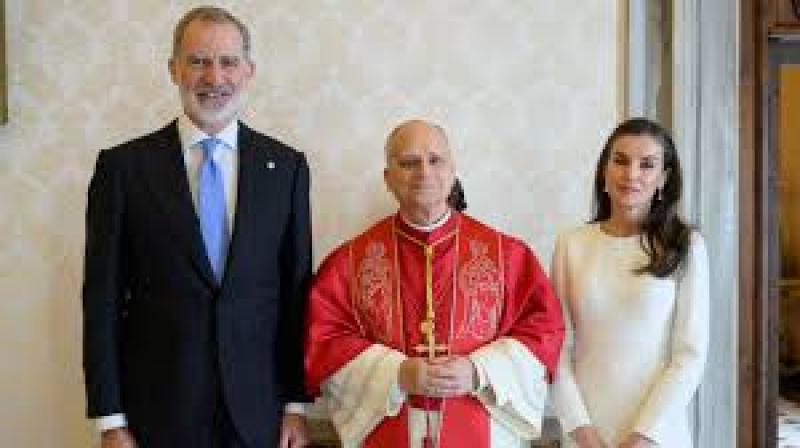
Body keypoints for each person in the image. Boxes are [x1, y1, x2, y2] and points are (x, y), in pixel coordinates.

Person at [82, 7, 311, 448]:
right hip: (157, 410)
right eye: (198, 61)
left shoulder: (286, 168)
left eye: (228, 62)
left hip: (258, 412)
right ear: (174, 69)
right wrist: (110, 419)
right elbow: (102, 299)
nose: (214, 77)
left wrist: (295, 405)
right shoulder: (124, 169)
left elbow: (295, 294)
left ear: (248, 71)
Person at [304, 119, 564, 447]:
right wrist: (396, 373)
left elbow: (543, 333)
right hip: (389, 431)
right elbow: (325, 341)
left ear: (453, 171)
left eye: (435, 160)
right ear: (388, 178)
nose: (424, 172)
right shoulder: (349, 262)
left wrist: (478, 371)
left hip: (481, 428)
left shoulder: (508, 256)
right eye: (409, 162)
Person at [550, 118, 710, 448]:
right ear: (604, 170)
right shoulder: (571, 245)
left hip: (658, 436)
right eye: (621, 161)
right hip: (584, 433)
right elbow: (556, 346)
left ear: (664, 177)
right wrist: (582, 431)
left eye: (647, 165)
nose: (631, 174)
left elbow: (689, 355)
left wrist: (643, 437)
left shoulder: (685, 246)